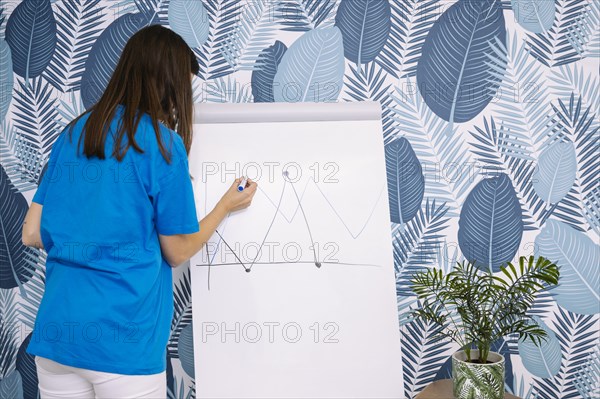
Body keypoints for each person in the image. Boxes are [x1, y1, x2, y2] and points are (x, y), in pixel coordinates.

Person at [20, 25, 257, 398]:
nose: (181, 102)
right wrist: (226, 206)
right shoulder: (163, 144)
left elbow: (31, 232)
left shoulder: (72, 134)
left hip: (57, 338)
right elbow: (177, 250)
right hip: (123, 344)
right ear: (167, 83)